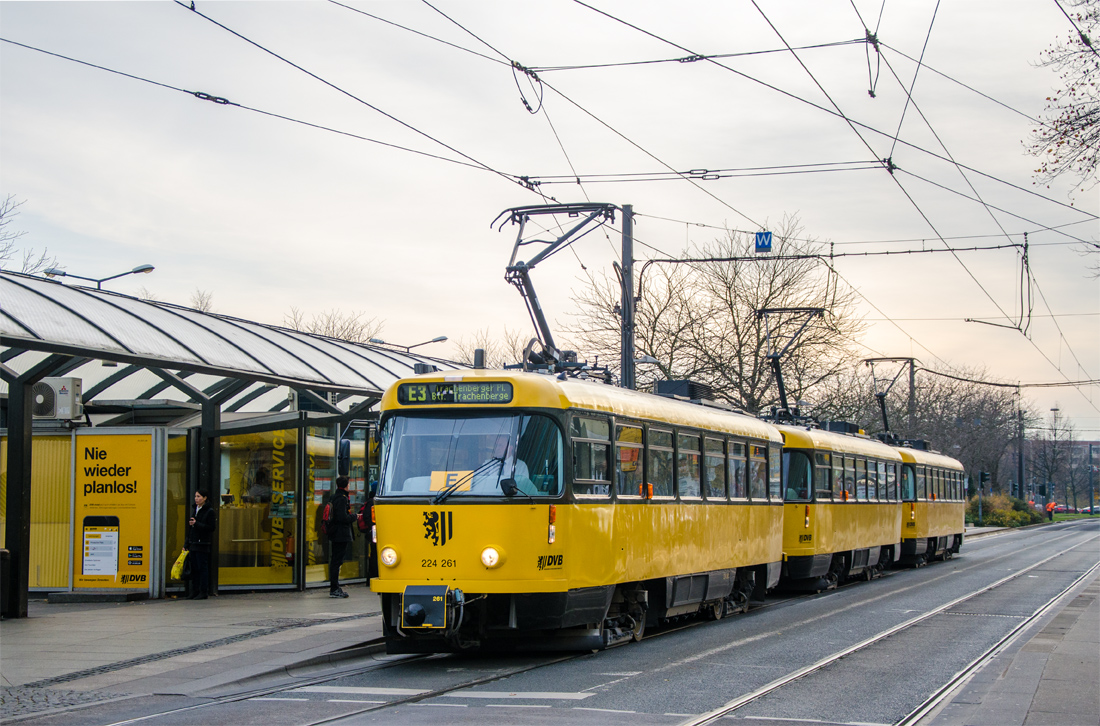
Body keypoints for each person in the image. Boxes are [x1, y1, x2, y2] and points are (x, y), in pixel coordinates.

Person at [328, 476, 356, 598]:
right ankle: (334, 588)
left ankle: (335, 587)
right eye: (349, 484)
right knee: (337, 561)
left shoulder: (334, 497)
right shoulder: (342, 498)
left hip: (335, 533)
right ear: (346, 485)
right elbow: (342, 518)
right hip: (341, 534)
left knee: (335, 560)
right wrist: (354, 516)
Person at [187, 490, 216, 600]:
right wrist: (187, 543)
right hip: (194, 542)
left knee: (202, 567)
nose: (196, 498)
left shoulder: (209, 511)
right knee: (194, 568)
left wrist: (196, 523)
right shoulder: (195, 509)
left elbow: (211, 528)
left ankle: (204, 591)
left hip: (203, 543)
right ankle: (195, 590)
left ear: (205, 498)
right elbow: (190, 529)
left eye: (199, 496)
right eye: (195, 496)